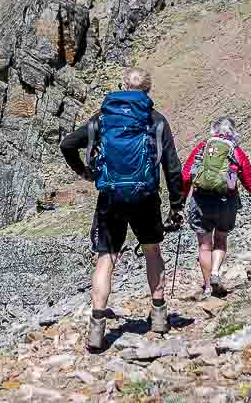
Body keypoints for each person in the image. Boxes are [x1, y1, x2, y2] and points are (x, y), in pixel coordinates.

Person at [60, 67, 185, 351]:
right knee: (152, 250)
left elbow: (67, 144)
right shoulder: (156, 120)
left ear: (122, 86)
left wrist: (83, 172)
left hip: (110, 198)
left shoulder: (102, 119)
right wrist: (176, 205)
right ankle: (159, 315)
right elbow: (173, 168)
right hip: (146, 197)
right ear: (148, 90)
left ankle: (96, 328)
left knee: (107, 258)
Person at [182, 116, 251, 297]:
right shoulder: (236, 152)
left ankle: (207, 288)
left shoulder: (202, 148)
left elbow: (186, 176)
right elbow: (250, 184)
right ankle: (215, 274)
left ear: (213, 131)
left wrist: (180, 199)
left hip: (200, 201)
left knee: (204, 246)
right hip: (226, 202)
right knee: (220, 240)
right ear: (232, 132)